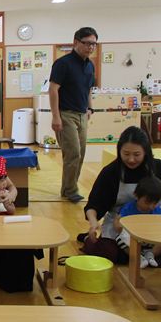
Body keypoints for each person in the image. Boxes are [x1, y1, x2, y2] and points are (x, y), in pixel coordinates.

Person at [82, 126, 161, 265]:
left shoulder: (158, 168)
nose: (131, 159)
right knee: (108, 253)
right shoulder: (111, 172)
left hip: (153, 225)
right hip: (120, 228)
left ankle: (145, 256)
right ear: (119, 151)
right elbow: (94, 205)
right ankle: (143, 257)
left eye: (137, 154)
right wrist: (93, 224)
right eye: (126, 154)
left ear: (146, 151)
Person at [49, 27, 98, 202]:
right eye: (87, 43)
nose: (90, 47)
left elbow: (88, 89)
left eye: (94, 44)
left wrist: (90, 108)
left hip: (82, 114)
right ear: (76, 42)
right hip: (65, 114)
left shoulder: (90, 65)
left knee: (81, 153)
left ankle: (68, 188)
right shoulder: (63, 64)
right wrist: (56, 117)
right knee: (73, 153)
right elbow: (53, 90)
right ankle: (71, 190)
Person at [114, 176, 161, 269]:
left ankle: (150, 254)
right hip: (134, 239)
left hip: (151, 239)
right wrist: (119, 227)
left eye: (155, 203)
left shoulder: (158, 211)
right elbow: (118, 224)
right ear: (136, 196)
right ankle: (139, 257)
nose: (151, 207)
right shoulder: (128, 208)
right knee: (119, 239)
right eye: (147, 202)